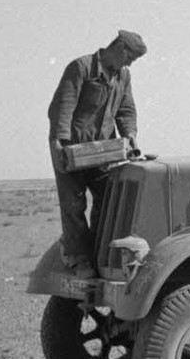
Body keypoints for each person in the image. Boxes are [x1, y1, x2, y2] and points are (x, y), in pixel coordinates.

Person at [47, 30, 147, 277]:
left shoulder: (123, 76)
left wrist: (130, 134)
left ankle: (96, 252)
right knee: (73, 204)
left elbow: (126, 110)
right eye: (131, 58)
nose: (130, 63)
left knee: (109, 199)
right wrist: (59, 144)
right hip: (73, 150)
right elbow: (62, 107)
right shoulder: (81, 68)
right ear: (121, 48)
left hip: (104, 150)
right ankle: (78, 258)